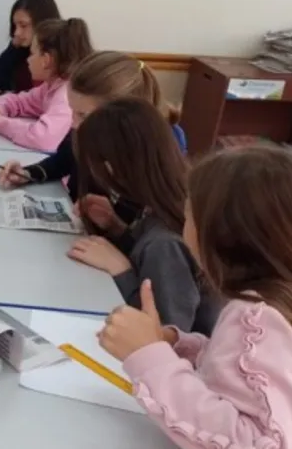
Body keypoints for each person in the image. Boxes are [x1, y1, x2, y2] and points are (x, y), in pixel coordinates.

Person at [98, 144, 292, 449]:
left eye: (189, 217)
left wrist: (150, 358)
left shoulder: (259, 316)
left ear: (220, 234)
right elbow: (246, 376)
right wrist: (173, 345)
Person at [65, 98, 219, 336]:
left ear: (110, 168)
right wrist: (117, 229)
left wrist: (121, 271)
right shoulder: (173, 199)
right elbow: (152, 267)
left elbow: (167, 335)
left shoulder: (165, 243)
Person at [0, 51, 186, 226]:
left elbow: (150, 239)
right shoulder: (86, 130)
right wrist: (29, 173)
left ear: (121, 115)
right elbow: (64, 159)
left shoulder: (154, 157)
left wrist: (115, 227)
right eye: (73, 111)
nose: (74, 124)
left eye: (83, 115)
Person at [0, 18, 93, 152]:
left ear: (46, 60)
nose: (28, 59)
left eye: (32, 54)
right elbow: (20, 101)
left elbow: (43, 138)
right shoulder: (51, 86)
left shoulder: (66, 93)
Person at [0, 0, 61, 100]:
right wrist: (13, 48)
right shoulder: (22, 48)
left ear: (43, 23)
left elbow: (40, 101)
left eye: (23, 25)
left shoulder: (59, 58)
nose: (17, 32)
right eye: (15, 25)